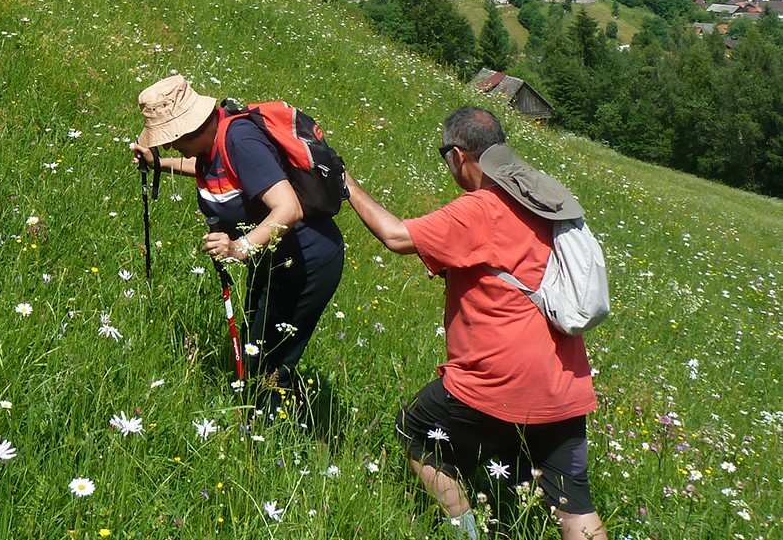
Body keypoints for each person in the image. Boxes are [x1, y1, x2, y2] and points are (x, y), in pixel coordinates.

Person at [343, 107, 608, 540]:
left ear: (459, 155)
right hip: (564, 383)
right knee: (575, 509)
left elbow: (395, 236)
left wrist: (345, 183)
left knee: (414, 431)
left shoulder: (481, 208)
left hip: (498, 381)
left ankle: (467, 531)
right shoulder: (542, 196)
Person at [132, 75, 344, 415]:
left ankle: (283, 434)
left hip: (309, 262)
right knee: (256, 347)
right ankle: (266, 416)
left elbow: (289, 208)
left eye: (170, 140)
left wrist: (239, 247)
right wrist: (160, 163)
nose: (170, 146)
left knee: (270, 362)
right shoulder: (211, 143)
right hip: (275, 261)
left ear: (190, 127)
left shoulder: (239, 141)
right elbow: (208, 168)